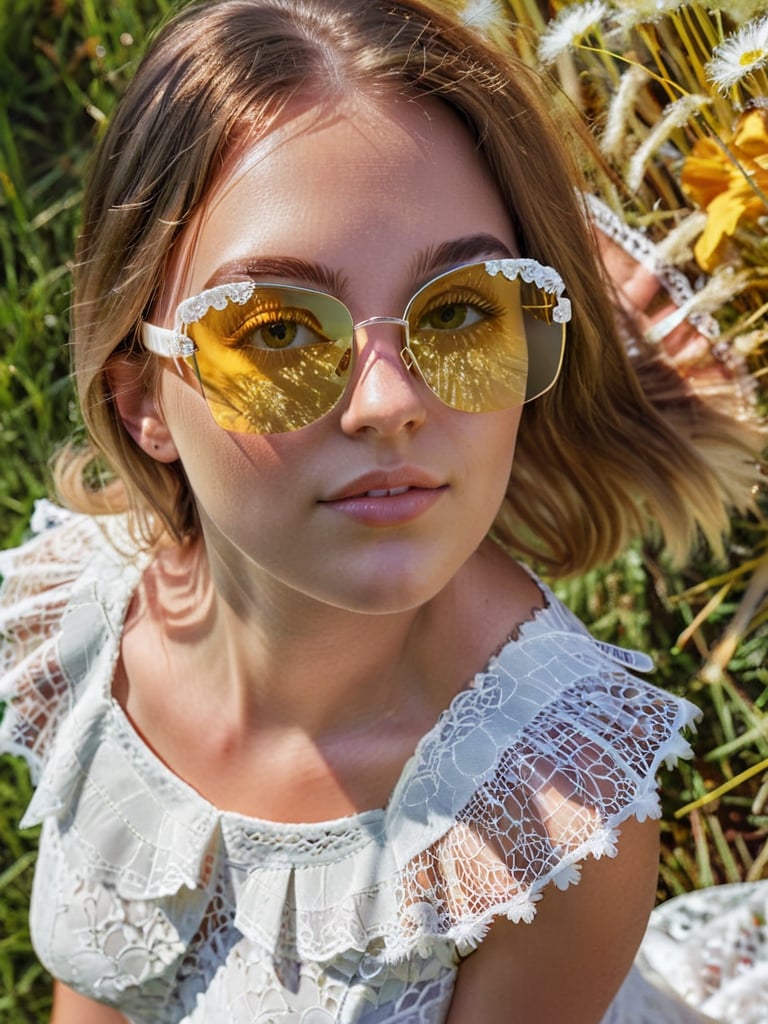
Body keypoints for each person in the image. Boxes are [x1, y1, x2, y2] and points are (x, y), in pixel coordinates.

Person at [0, 1, 765, 1022]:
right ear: (143, 399)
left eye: (456, 311)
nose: (391, 401)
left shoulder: (551, 813)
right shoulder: (87, 627)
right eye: (275, 330)